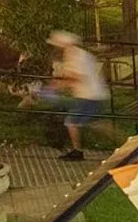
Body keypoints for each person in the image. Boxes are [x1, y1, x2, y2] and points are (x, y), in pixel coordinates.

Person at [46, 31, 107, 161]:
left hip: (87, 95)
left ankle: (77, 151)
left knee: (71, 122)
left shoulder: (73, 56)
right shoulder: (81, 54)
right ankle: (116, 139)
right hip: (93, 93)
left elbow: (76, 77)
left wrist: (55, 87)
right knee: (85, 122)